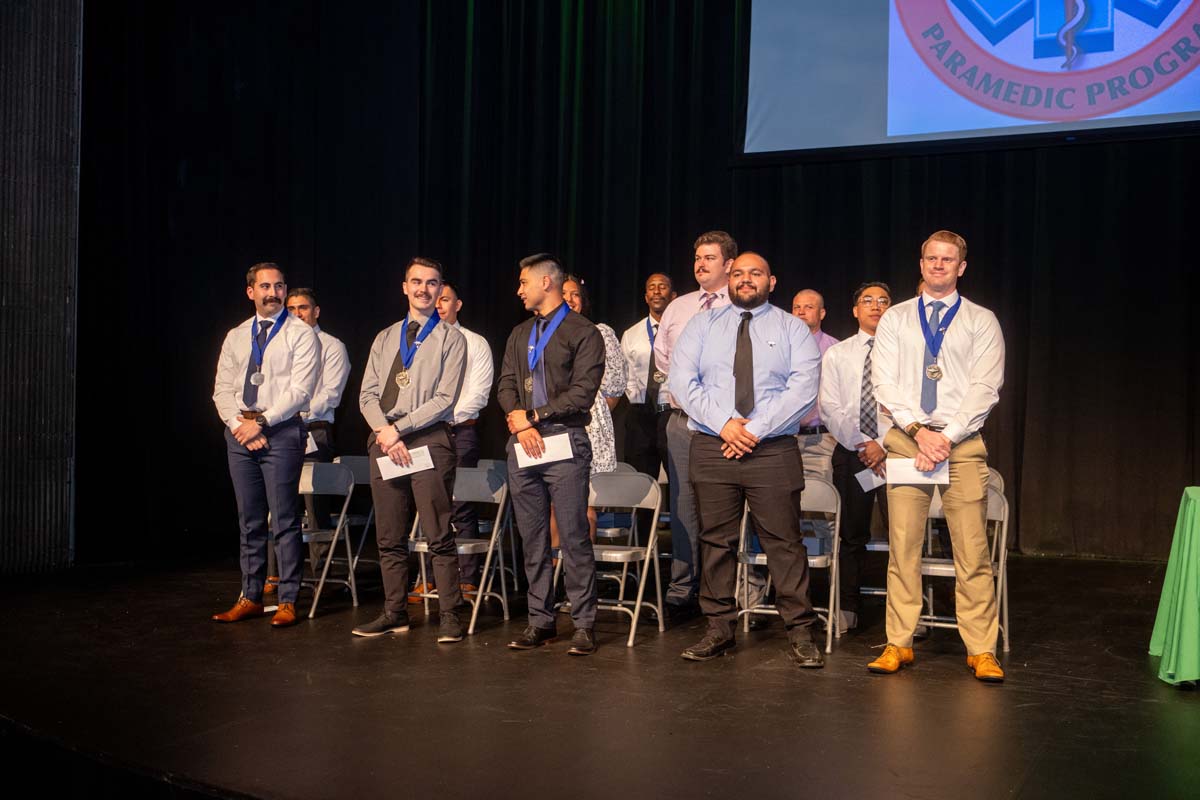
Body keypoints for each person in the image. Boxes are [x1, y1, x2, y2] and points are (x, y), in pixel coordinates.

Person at [669, 252, 825, 667]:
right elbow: (682, 381)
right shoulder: (701, 326)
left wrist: (752, 430)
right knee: (715, 540)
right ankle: (718, 627)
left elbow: (803, 388)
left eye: (755, 273)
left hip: (771, 448)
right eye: (738, 273)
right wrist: (725, 424)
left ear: (771, 281)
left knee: (784, 543)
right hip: (713, 442)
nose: (745, 279)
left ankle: (800, 631)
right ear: (728, 280)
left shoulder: (792, 328)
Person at [868, 230, 1006, 682]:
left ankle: (981, 648)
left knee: (972, 550)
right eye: (932, 258)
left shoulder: (981, 320)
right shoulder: (896, 319)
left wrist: (947, 436)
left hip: (961, 444)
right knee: (903, 547)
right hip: (908, 440)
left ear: (961, 267)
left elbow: (986, 388)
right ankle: (899, 643)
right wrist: (917, 431)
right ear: (921, 263)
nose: (939, 265)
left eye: (948, 260)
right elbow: (884, 383)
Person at [352, 257, 468, 644]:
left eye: (432, 283)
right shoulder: (386, 337)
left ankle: (451, 614)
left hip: (428, 439)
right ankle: (394, 612)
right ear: (404, 286)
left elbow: (445, 399)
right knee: (389, 535)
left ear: (440, 289)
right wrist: (384, 432)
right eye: (416, 281)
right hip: (385, 439)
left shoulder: (452, 339)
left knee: (438, 533)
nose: (423, 288)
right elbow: (367, 394)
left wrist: (398, 429)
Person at [497, 253, 605, 656]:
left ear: (546, 282)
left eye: (523, 282)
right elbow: (506, 384)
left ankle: (584, 623)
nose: (518, 289)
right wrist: (520, 421)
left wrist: (535, 415)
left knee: (574, 535)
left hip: (564, 441)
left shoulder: (583, 331)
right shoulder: (519, 332)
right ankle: (540, 620)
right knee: (533, 537)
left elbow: (583, 392)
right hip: (522, 443)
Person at [211, 262, 320, 628]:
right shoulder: (236, 336)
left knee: (285, 519)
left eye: (278, 286)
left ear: (285, 290)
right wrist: (238, 425)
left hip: (281, 431)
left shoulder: (301, 335)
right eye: (265, 287)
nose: (272, 293)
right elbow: (222, 390)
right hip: (240, 432)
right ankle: (251, 596)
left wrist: (262, 422)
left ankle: (288, 599)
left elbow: (301, 391)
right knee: (250, 519)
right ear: (251, 292)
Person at [653, 231, 735, 617]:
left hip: (727, 426)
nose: (701, 264)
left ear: (729, 265)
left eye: (710, 258)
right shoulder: (679, 307)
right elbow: (663, 361)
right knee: (683, 505)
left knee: (723, 507)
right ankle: (682, 587)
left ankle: (722, 591)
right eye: (697, 258)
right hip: (682, 421)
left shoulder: (743, 305)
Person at [818, 282, 893, 632]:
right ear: (854, 310)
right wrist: (864, 444)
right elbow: (830, 406)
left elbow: (915, 405)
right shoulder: (838, 353)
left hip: (898, 455)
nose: (875, 306)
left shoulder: (905, 351)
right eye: (867, 300)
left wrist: (885, 443)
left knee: (905, 538)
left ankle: (905, 612)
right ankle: (846, 606)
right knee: (851, 535)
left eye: (883, 301)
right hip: (853, 454)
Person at [414, 279, 494, 597]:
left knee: (460, 505)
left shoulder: (475, 343)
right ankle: (431, 576)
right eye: (434, 299)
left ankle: (466, 576)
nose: (438, 305)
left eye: (444, 299)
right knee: (427, 505)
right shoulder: (418, 343)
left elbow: (477, 394)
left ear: (456, 305)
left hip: (458, 431)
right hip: (422, 435)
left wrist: (439, 417)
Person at [562, 274, 627, 540]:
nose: (569, 299)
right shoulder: (539, 334)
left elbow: (614, 385)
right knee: (555, 507)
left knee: (582, 504)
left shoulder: (599, 332)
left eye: (575, 294)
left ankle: (580, 575)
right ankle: (555, 576)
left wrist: (592, 412)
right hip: (549, 426)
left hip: (586, 425)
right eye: (563, 293)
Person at [620, 273, 675, 481]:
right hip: (641, 415)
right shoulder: (631, 334)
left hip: (671, 412)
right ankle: (643, 516)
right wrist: (638, 400)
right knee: (641, 481)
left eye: (663, 286)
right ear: (645, 297)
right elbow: (626, 374)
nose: (657, 291)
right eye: (652, 287)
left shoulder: (684, 331)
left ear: (673, 295)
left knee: (678, 480)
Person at [791, 289, 839, 478]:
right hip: (785, 439)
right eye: (796, 307)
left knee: (823, 500)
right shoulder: (779, 346)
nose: (801, 312)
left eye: (808, 307)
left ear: (822, 313)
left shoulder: (835, 349)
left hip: (823, 439)